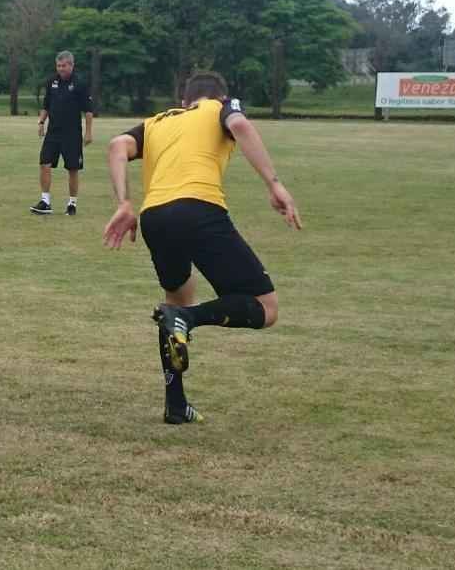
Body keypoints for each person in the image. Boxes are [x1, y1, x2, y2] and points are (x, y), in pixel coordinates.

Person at [103, 71, 302, 424]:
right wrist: (274, 184)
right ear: (218, 95)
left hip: (155, 217)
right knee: (265, 307)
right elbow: (239, 126)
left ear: (184, 101)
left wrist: (124, 203)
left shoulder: (158, 121)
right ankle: (188, 319)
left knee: (177, 297)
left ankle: (176, 405)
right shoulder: (221, 107)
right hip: (198, 207)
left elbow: (117, 146)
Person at [30, 51, 94, 216]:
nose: (61, 69)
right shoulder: (52, 82)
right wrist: (41, 122)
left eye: (64, 66)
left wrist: (88, 133)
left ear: (71, 65)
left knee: (72, 169)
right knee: (44, 163)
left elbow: (88, 111)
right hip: (53, 133)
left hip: (72, 134)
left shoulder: (80, 83)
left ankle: (72, 203)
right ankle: (45, 202)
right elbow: (46, 105)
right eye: (58, 66)